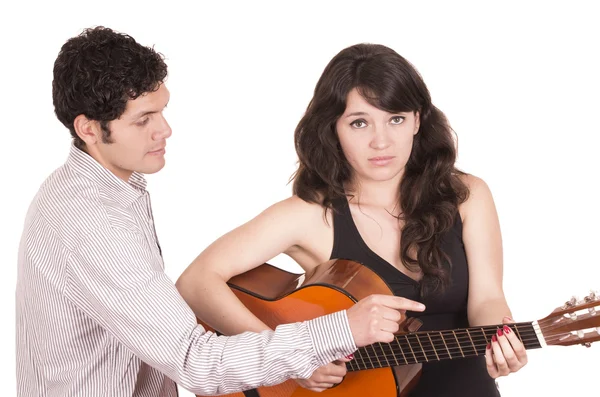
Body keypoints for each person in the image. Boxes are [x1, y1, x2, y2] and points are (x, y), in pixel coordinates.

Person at [15, 28, 425, 397]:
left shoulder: (103, 189)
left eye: (162, 110)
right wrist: (340, 329)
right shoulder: (89, 221)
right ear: (89, 129)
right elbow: (196, 362)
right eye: (143, 120)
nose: (165, 130)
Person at [176, 43, 528, 396]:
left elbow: (487, 298)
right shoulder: (310, 215)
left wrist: (502, 338)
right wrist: (289, 357)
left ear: (418, 120)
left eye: (396, 119)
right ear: (333, 129)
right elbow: (196, 282)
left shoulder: (467, 195)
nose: (381, 141)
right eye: (360, 122)